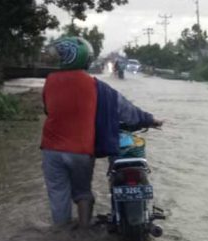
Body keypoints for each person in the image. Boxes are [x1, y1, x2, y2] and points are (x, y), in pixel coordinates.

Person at [41, 37, 163, 229]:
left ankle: (60, 234)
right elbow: (127, 111)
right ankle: (83, 233)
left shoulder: (50, 81)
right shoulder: (96, 86)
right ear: (86, 59)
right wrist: (150, 120)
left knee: (58, 194)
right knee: (82, 193)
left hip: (50, 149)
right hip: (80, 150)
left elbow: (48, 110)